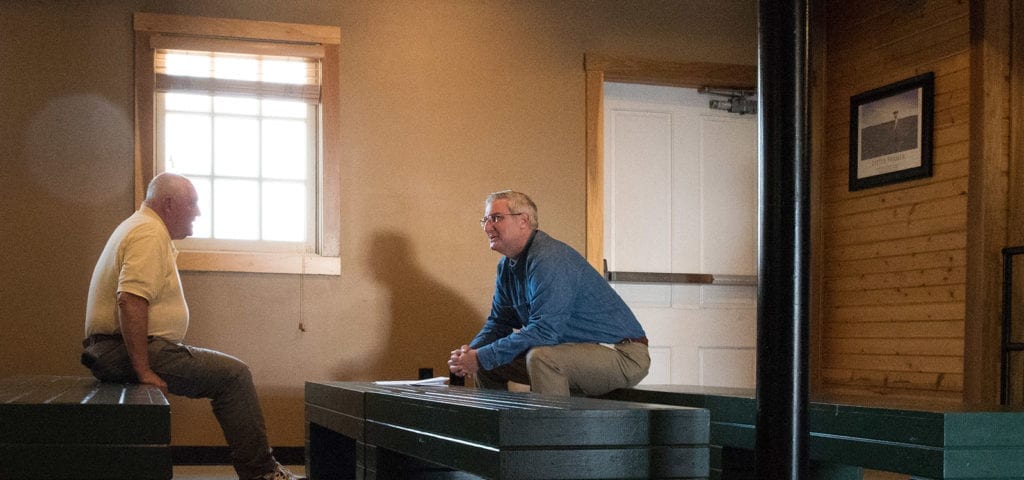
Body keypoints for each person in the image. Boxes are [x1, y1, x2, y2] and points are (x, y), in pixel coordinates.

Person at [81, 172, 303, 480]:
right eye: (193, 203)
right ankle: (262, 473)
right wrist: (143, 370)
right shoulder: (148, 232)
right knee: (234, 376)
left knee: (229, 374)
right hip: (120, 349)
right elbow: (130, 299)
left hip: (114, 348)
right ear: (169, 204)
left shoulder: (141, 226)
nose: (198, 212)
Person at [447, 190, 650, 396]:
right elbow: (499, 322)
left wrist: (482, 357)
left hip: (621, 353)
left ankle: (553, 428)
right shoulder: (506, 266)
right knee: (488, 363)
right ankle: (493, 427)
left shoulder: (550, 259)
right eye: (485, 220)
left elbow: (545, 331)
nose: (488, 227)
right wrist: (470, 355)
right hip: (571, 350)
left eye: (496, 218)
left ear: (523, 220)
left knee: (541, 358)